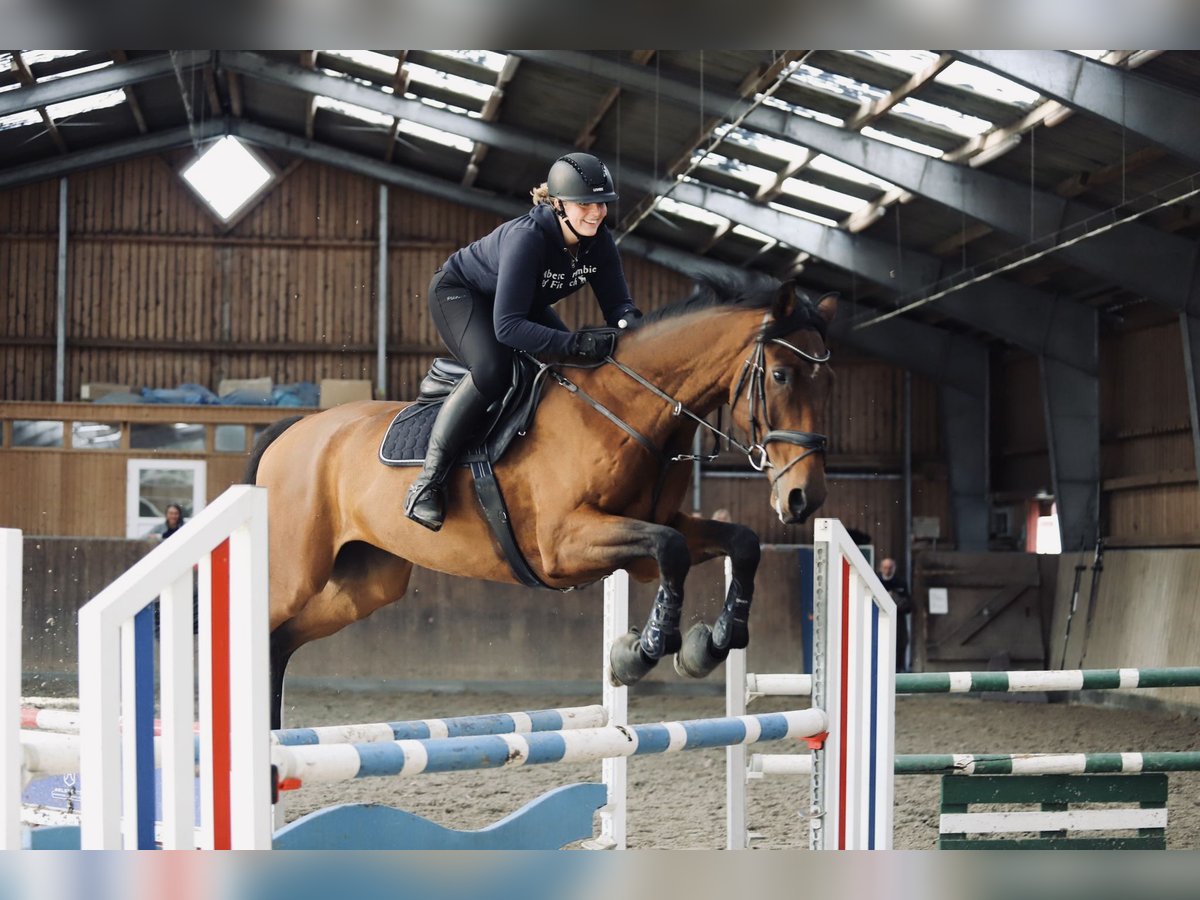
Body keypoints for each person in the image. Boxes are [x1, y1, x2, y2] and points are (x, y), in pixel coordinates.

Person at [405, 152, 643, 532]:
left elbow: (618, 305)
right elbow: (508, 328)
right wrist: (574, 342)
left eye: (602, 203)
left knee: (566, 370)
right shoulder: (527, 239)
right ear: (559, 204)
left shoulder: (599, 242)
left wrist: (634, 330)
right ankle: (427, 484)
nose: (597, 213)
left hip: (517, 304)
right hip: (462, 295)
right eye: (586, 204)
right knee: (494, 368)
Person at [878, 557, 913, 672]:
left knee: (900, 644)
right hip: (879, 619)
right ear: (881, 568)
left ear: (894, 568)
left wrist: (895, 601)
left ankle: (898, 670)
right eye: (885, 568)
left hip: (898, 621)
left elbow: (909, 605)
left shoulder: (900, 582)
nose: (887, 571)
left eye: (890, 568)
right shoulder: (876, 580)